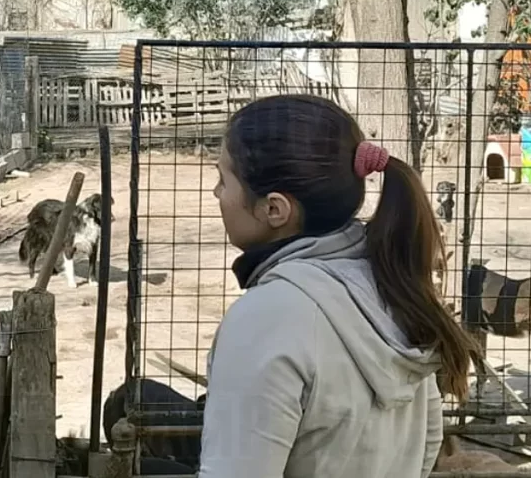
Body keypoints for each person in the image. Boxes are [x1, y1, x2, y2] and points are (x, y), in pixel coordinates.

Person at [200, 94, 478, 478]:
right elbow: (429, 442)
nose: (217, 193)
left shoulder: (266, 318)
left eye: (223, 180)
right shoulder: (394, 286)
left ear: (274, 209)